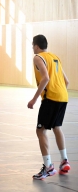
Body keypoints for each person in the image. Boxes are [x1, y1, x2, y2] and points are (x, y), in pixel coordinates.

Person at [28, 34, 70, 180]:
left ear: (36, 46)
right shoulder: (55, 57)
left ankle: (48, 167)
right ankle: (64, 160)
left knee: (40, 131)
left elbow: (45, 77)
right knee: (56, 127)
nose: (32, 48)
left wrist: (34, 99)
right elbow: (67, 81)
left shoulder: (38, 58)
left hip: (51, 98)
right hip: (63, 96)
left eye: (33, 45)